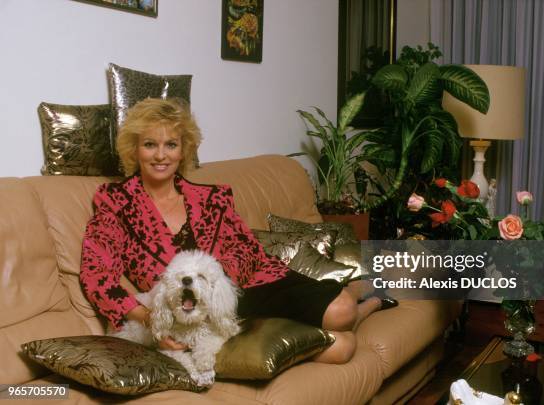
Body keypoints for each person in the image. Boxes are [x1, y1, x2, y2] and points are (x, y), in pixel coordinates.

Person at [80, 98, 397, 364]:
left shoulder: (212, 198)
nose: (160, 155)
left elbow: (247, 249)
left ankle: (364, 296)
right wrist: (151, 321)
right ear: (134, 150)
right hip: (191, 311)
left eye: (170, 145)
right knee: (341, 349)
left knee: (341, 311)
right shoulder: (115, 202)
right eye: (150, 144)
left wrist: (219, 284)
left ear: (183, 151)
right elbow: (97, 276)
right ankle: (362, 297)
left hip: (247, 286)